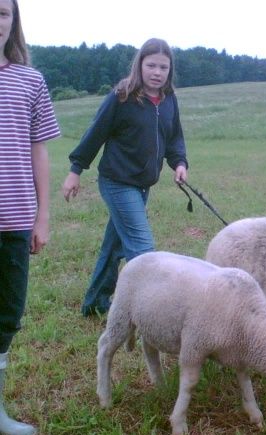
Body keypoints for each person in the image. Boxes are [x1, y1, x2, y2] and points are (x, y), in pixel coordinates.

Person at [62, 38, 188, 317]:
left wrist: (179, 162)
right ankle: (151, 315)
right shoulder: (122, 96)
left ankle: (95, 302)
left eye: (163, 67)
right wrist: (75, 170)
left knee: (114, 246)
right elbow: (95, 133)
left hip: (142, 186)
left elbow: (174, 136)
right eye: (151, 65)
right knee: (143, 250)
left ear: (170, 70)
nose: (157, 72)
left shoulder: (168, 101)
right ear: (139, 65)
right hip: (117, 182)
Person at [0, 0, 61, 435]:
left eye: (3, 12)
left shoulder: (30, 81)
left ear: (13, 22)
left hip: (15, 221)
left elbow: (40, 150)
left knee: (6, 316)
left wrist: (42, 215)